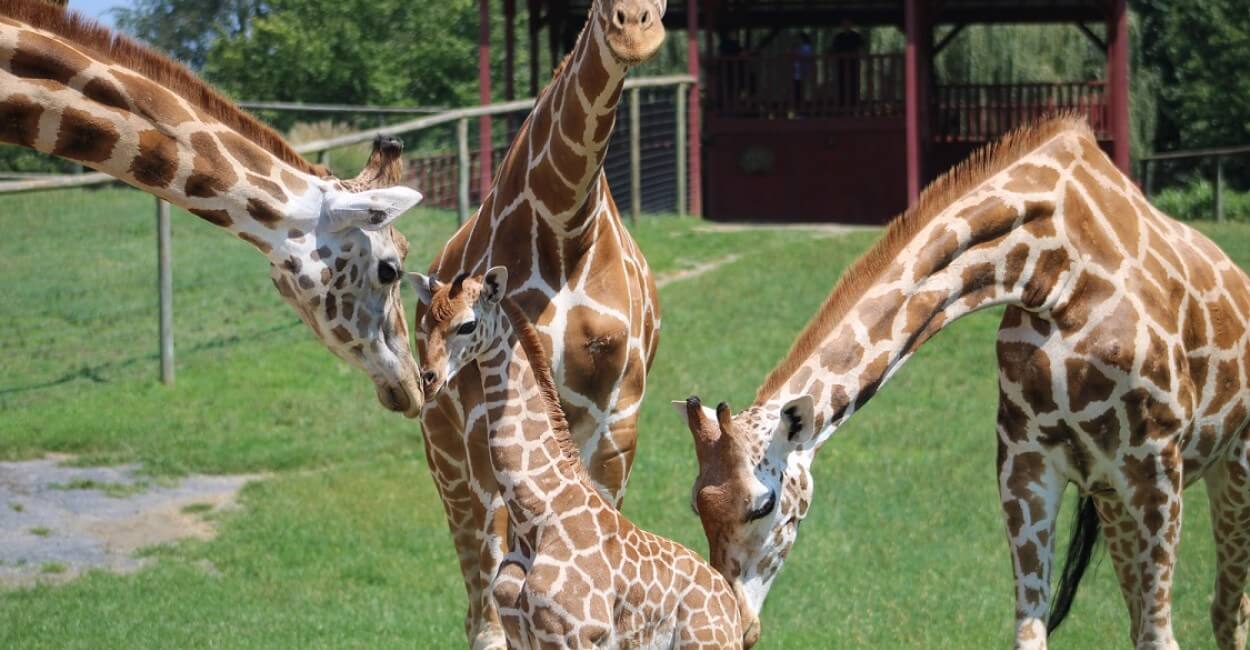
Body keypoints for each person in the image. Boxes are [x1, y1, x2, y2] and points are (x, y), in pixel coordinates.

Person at [831, 19, 866, 108]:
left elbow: (861, 49)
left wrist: (858, 56)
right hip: (840, 66)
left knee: (854, 84)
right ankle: (841, 105)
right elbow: (833, 51)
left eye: (848, 23)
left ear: (851, 24)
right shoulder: (838, 37)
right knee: (841, 84)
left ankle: (854, 105)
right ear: (842, 25)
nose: (846, 25)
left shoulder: (857, 36)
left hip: (854, 65)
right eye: (844, 23)